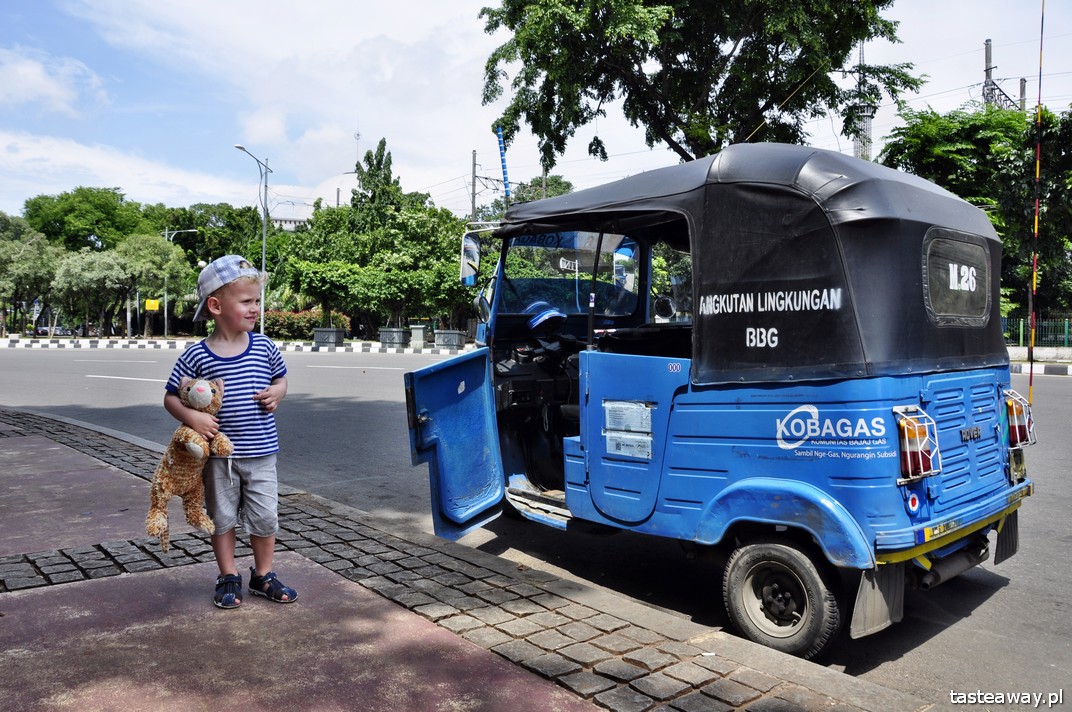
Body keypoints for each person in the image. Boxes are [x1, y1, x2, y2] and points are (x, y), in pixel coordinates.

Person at [163, 255, 296, 608]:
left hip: (263, 452)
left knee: (265, 517)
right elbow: (170, 397)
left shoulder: (264, 346)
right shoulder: (197, 355)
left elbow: (281, 378)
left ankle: (263, 575)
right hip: (219, 457)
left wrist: (278, 392)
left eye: (257, 301)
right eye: (247, 301)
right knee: (222, 518)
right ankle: (228, 574)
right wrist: (193, 419)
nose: (255, 309)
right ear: (216, 306)